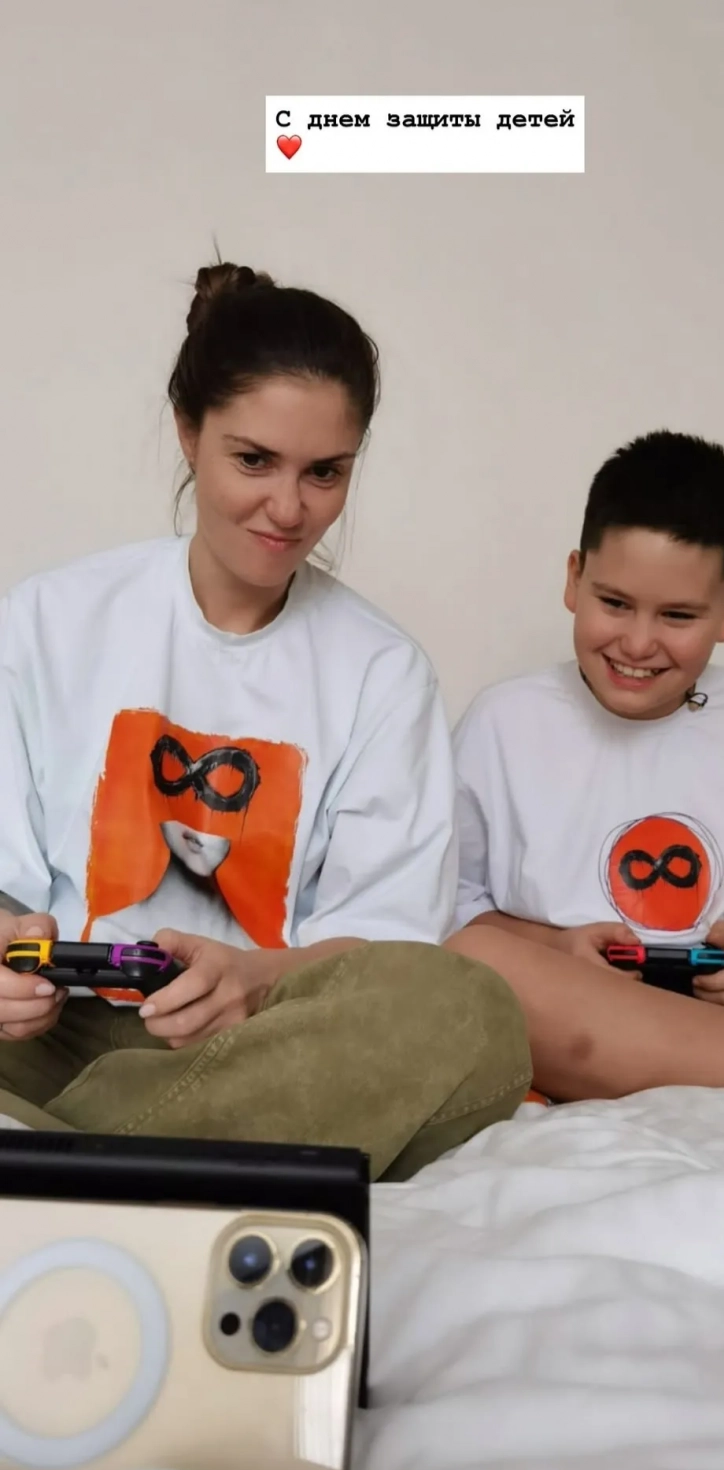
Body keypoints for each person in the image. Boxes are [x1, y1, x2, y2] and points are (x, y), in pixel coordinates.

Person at [0, 261, 530, 1178]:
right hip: (51, 1031)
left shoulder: (383, 671)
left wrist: (254, 976)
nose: (288, 508)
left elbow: (386, 945)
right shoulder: (48, 619)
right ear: (187, 431)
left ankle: (59, 1164)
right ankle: (144, 1166)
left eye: (325, 473)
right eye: (254, 460)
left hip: (257, 1043)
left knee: (471, 1012)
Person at [445, 430, 724, 1098]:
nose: (637, 643)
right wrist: (555, 947)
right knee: (476, 958)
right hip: (579, 1010)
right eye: (614, 603)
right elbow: (449, 903)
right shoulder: (504, 719)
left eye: (678, 615)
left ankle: (708, 1071)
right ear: (574, 579)